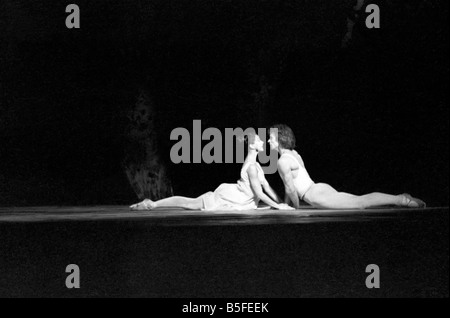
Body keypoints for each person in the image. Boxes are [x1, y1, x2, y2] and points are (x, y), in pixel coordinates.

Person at [268, 124, 426, 209]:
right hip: (319, 188)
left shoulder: (282, 161)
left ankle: (401, 199)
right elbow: (289, 186)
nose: (269, 141)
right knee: (358, 201)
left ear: (280, 139)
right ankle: (400, 199)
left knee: (360, 203)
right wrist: (286, 204)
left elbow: (290, 189)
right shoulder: (294, 154)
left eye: (271, 138)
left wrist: (296, 210)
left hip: (316, 195)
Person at [130, 132, 293, 211]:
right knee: (188, 203)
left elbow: (267, 187)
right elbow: (260, 193)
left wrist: (281, 202)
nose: (261, 141)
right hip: (228, 197)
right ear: (252, 145)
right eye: (258, 140)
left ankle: (152, 204)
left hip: (238, 198)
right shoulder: (251, 166)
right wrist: (280, 207)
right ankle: (152, 204)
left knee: (189, 202)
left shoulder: (256, 165)